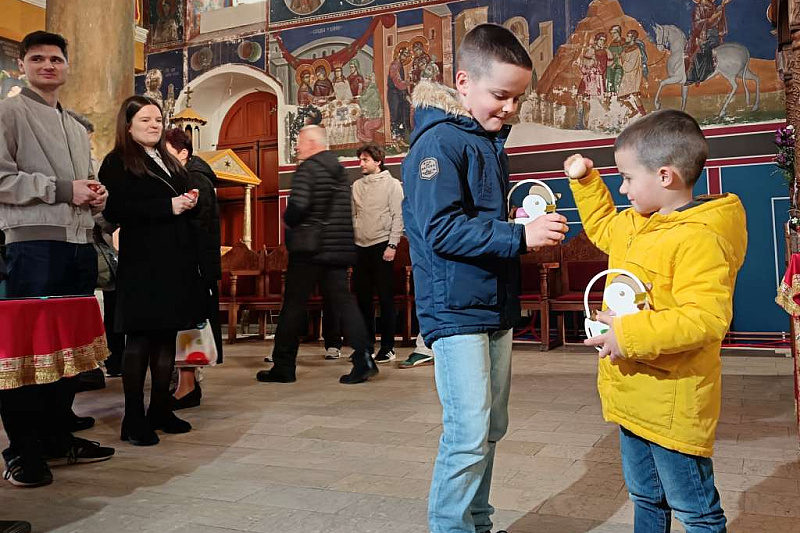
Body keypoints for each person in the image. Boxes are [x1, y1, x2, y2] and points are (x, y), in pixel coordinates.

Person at [402, 24, 568, 533]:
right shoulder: (439, 144)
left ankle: (477, 523)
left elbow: (475, 216)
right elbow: (440, 229)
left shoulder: (485, 140)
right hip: (455, 309)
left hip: (492, 302)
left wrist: (517, 222)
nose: (510, 108)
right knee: (468, 432)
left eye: (518, 98)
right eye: (500, 96)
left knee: (491, 427)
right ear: (462, 82)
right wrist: (519, 237)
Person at [564, 108, 746, 533]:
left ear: (665, 177)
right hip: (631, 395)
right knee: (646, 498)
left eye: (626, 178)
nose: (622, 187)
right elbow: (602, 225)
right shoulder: (634, 224)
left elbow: (705, 319)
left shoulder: (702, 237)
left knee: (695, 510)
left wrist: (627, 333)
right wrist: (587, 182)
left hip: (674, 402)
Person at [0, 31, 115, 488]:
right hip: (32, 244)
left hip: (78, 243)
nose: (48, 65)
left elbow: (83, 181)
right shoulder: (8, 112)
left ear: (66, 67)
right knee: (28, 351)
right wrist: (62, 190)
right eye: (38, 58)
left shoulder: (75, 125)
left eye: (56, 59)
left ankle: (55, 436)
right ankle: (21, 451)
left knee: (69, 349)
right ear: (23, 65)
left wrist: (96, 195)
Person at [99, 95, 206, 446]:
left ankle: (160, 409)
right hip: (143, 260)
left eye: (158, 119)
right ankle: (132, 418)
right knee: (141, 339)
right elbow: (116, 208)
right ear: (128, 126)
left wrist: (189, 201)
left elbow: (178, 200)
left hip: (174, 259)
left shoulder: (168, 160)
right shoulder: (117, 162)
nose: (154, 125)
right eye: (145, 120)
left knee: (166, 339)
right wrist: (168, 205)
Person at [257, 125, 375, 385]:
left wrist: (287, 218)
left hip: (309, 249)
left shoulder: (308, 169)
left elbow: (298, 206)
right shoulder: (340, 170)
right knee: (344, 302)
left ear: (312, 142)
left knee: (293, 306)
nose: (297, 147)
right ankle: (364, 356)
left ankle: (284, 366)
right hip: (338, 248)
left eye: (299, 142)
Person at [165, 127, 223, 410]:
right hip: (194, 264)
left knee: (189, 327)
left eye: (167, 153)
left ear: (183, 154)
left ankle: (187, 386)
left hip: (193, 265)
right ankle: (186, 384)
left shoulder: (194, 179)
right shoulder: (193, 175)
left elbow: (197, 226)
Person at [352, 143, 403, 363]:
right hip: (359, 247)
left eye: (365, 160)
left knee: (385, 300)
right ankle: (365, 346)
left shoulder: (392, 185)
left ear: (378, 161)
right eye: (360, 160)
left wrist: (392, 245)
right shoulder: (356, 185)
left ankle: (388, 347)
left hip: (382, 245)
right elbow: (353, 216)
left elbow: (398, 217)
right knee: (362, 300)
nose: (361, 163)